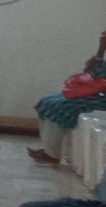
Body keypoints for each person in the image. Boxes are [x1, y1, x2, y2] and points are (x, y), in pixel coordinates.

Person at [29, 33, 106, 164]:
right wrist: (97, 58)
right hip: (97, 93)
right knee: (48, 102)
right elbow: (92, 73)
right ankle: (49, 149)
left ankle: (52, 155)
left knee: (63, 107)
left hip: (102, 99)